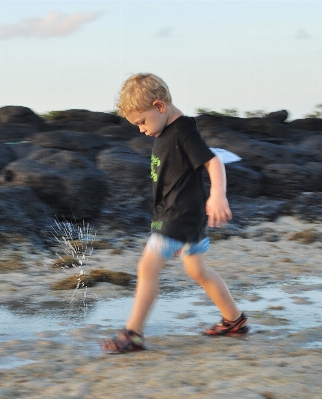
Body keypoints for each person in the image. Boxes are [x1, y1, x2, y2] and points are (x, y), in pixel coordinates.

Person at [100, 73, 249, 354]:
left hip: (178, 216)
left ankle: (133, 334)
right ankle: (234, 321)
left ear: (159, 107)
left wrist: (218, 195)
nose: (141, 130)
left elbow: (214, 161)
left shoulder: (183, 131)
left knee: (147, 268)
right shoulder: (166, 130)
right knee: (198, 270)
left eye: (142, 122)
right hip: (183, 217)